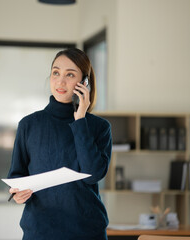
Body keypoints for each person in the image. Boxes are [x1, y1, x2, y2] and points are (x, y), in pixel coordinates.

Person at [7, 48, 112, 240]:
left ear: (84, 83)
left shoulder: (99, 127)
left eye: (70, 75)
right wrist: (17, 194)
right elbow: (16, 175)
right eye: (56, 73)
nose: (60, 81)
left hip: (87, 232)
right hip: (40, 231)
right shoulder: (29, 124)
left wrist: (80, 120)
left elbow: (93, 175)